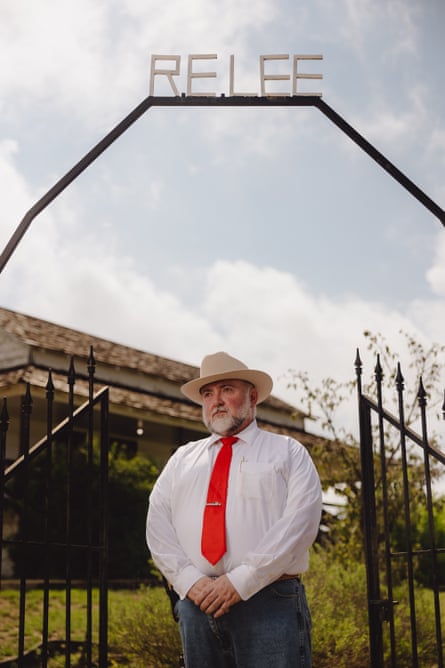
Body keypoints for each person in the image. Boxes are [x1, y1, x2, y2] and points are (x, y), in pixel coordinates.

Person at [146, 352, 322, 668]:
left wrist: (242, 581)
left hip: (270, 601)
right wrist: (189, 581)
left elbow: (300, 523)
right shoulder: (181, 459)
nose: (217, 401)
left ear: (252, 396)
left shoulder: (288, 452)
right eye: (208, 394)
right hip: (197, 605)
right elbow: (157, 525)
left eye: (227, 389)